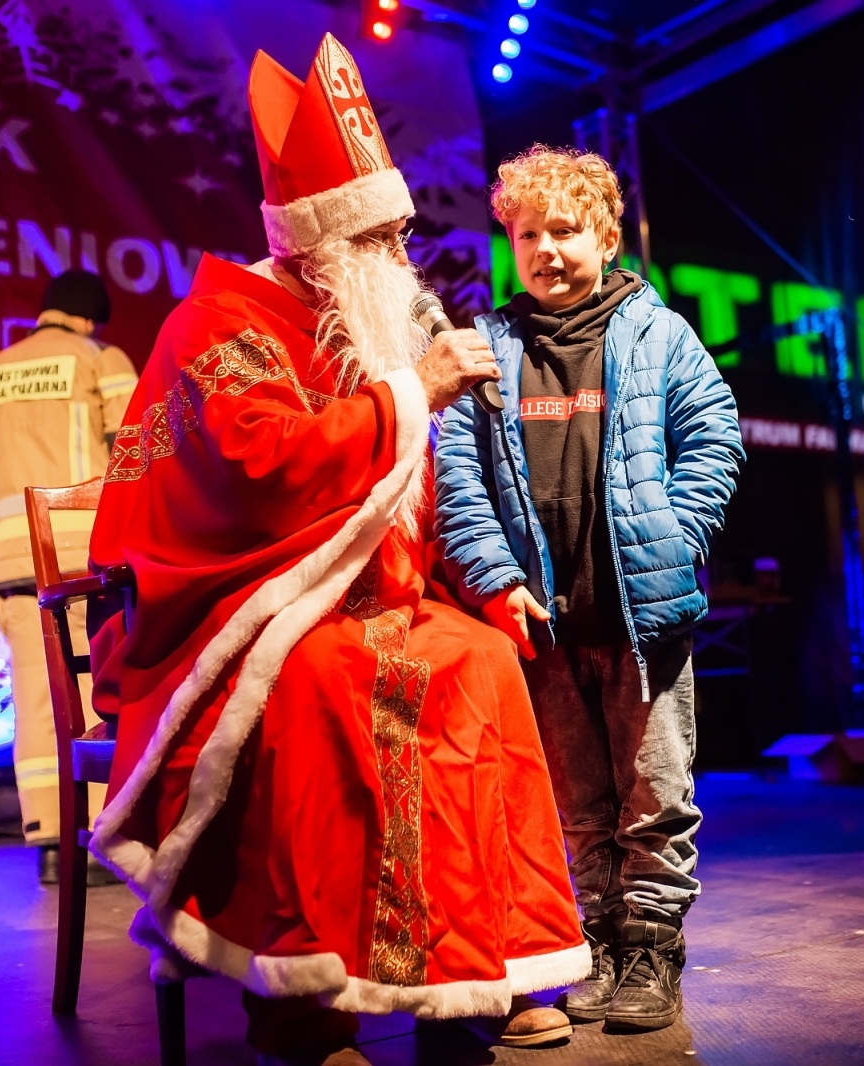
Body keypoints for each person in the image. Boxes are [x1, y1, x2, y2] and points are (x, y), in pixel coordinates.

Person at [85, 35, 587, 1066]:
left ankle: (488, 973)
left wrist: (486, 585)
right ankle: (305, 1005)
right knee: (325, 684)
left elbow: (412, 500)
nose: (402, 263)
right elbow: (262, 466)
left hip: (379, 595)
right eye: (381, 242)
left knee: (483, 661)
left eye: (403, 237)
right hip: (254, 610)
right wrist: (415, 391)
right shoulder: (218, 322)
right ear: (324, 244)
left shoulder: (363, 324)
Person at [434, 146, 744, 1032]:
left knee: (654, 795)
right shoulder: (487, 351)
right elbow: (457, 478)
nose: (545, 250)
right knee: (577, 802)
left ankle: (652, 950)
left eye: (565, 230)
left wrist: (675, 538)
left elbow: (715, 436)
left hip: (643, 620)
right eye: (528, 233)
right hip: (546, 626)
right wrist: (494, 579)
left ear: (607, 238)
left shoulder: (658, 334)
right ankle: (595, 944)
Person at [0, 269, 137, 885]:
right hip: (92, 560)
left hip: (16, 565)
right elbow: (139, 452)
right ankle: (106, 836)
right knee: (104, 694)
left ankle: (54, 845)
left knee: (39, 705)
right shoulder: (101, 359)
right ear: (90, 317)